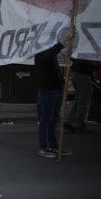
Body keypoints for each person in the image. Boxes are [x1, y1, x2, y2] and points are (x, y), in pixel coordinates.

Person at [34, 29, 74, 158]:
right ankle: (43, 147)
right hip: (47, 90)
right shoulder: (41, 52)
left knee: (53, 120)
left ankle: (53, 146)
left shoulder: (49, 53)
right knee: (45, 120)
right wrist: (63, 40)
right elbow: (49, 56)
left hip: (55, 89)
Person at [65, 59, 96, 134]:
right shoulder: (88, 51)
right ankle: (78, 124)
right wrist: (97, 65)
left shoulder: (81, 49)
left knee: (78, 98)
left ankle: (70, 120)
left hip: (76, 72)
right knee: (83, 101)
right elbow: (87, 62)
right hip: (83, 73)